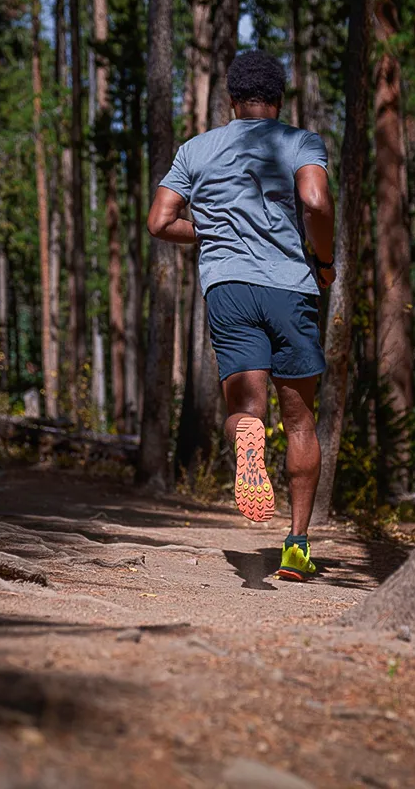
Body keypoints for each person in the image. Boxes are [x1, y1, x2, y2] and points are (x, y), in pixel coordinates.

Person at [147, 50, 336, 582]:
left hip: (228, 287)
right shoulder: (300, 141)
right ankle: (296, 547)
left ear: (232, 100)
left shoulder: (197, 149)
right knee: (299, 419)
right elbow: (316, 202)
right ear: (279, 100)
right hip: (290, 288)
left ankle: (247, 440)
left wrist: (212, 233)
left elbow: (160, 221)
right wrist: (323, 262)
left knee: (245, 409)